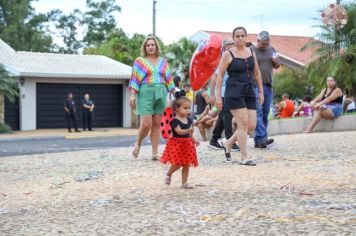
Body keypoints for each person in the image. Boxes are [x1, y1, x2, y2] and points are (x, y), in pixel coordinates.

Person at [216, 26, 264, 165]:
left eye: (243, 35)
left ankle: (228, 143)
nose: (240, 38)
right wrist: (218, 96)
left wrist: (260, 91)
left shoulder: (251, 51)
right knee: (243, 124)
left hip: (249, 90)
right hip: (234, 91)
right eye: (237, 36)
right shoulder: (228, 54)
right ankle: (244, 157)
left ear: (246, 37)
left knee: (252, 125)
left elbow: (257, 73)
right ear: (234, 38)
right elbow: (219, 75)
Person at [129, 35, 175, 160]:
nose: (150, 47)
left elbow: (169, 79)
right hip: (145, 92)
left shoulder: (163, 61)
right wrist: (133, 95)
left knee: (156, 124)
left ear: (156, 46)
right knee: (146, 124)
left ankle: (155, 153)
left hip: (161, 91)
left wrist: (175, 92)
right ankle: (138, 143)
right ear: (145, 47)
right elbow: (134, 79)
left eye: (152, 45)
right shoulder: (140, 61)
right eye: (148, 45)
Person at [160, 95, 199, 189]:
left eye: (189, 108)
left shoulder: (189, 120)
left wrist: (194, 139)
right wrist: (189, 130)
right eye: (185, 108)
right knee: (177, 164)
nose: (188, 110)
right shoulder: (174, 121)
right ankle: (169, 174)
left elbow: (189, 135)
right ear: (176, 109)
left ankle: (184, 183)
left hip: (187, 144)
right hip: (178, 145)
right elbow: (179, 132)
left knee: (187, 164)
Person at [208, 38, 239, 152]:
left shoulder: (233, 58)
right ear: (225, 47)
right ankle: (230, 141)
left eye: (233, 45)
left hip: (230, 92)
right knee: (227, 116)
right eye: (231, 45)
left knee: (222, 116)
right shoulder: (222, 59)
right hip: (223, 93)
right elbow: (214, 78)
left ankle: (214, 140)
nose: (233, 47)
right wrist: (212, 95)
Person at [251, 31, 280, 148]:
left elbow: (277, 66)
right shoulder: (251, 51)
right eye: (263, 43)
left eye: (267, 43)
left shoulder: (271, 49)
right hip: (256, 86)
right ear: (257, 40)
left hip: (268, 85)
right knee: (258, 111)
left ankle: (259, 141)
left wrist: (277, 63)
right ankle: (263, 137)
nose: (265, 45)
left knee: (265, 113)